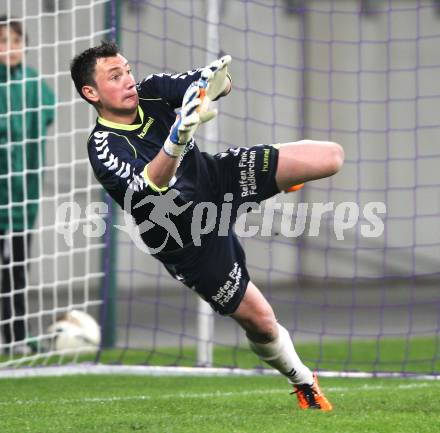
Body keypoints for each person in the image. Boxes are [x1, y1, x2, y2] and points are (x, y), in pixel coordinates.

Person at [70, 41, 344, 411]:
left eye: (128, 71)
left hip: (215, 179)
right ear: (91, 92)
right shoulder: (103, 145)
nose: (129, 81)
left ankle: (276, 174)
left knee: (330, 157)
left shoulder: (150, 91)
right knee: (262, 323)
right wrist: (177, 138)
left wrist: (211, 85)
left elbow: (217, 84)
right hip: (187, 238)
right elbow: (153, 185)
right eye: (115, 77)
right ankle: (303, 381)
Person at [0, 17, 55, 354]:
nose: (10, 48)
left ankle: (17, 335)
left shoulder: (34, 84)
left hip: (23, 196)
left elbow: (49, 112)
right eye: (3, 41)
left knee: (17, 268)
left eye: (16, 41)